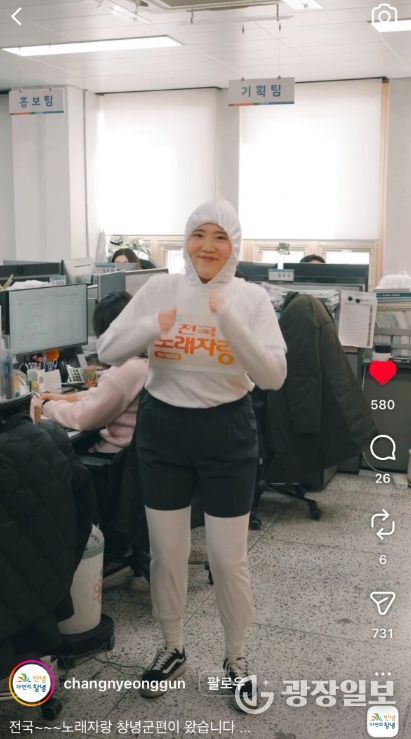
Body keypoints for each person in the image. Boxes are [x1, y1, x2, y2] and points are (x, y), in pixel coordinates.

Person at [97, 199, 287, 709]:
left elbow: (272, 376)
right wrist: (151, 327)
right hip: (164, 431)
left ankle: (236, 658)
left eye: (220, 237)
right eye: (199, 234)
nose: (208, 246)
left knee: (227, 558)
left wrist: (232, 324)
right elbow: (107, 350)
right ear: (185, 240)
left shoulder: (250, 299)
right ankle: (173, 646)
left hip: (227, 432)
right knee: (167, 553)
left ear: (235, 245)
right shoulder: (160, 289)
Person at [41, 292, 148, 455]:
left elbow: (82, 417)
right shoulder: (145, 362)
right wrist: (64, 398)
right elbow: (105, 394)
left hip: (115, 458)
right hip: (135, 455)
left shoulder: (125, 370)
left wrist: (46, 406)